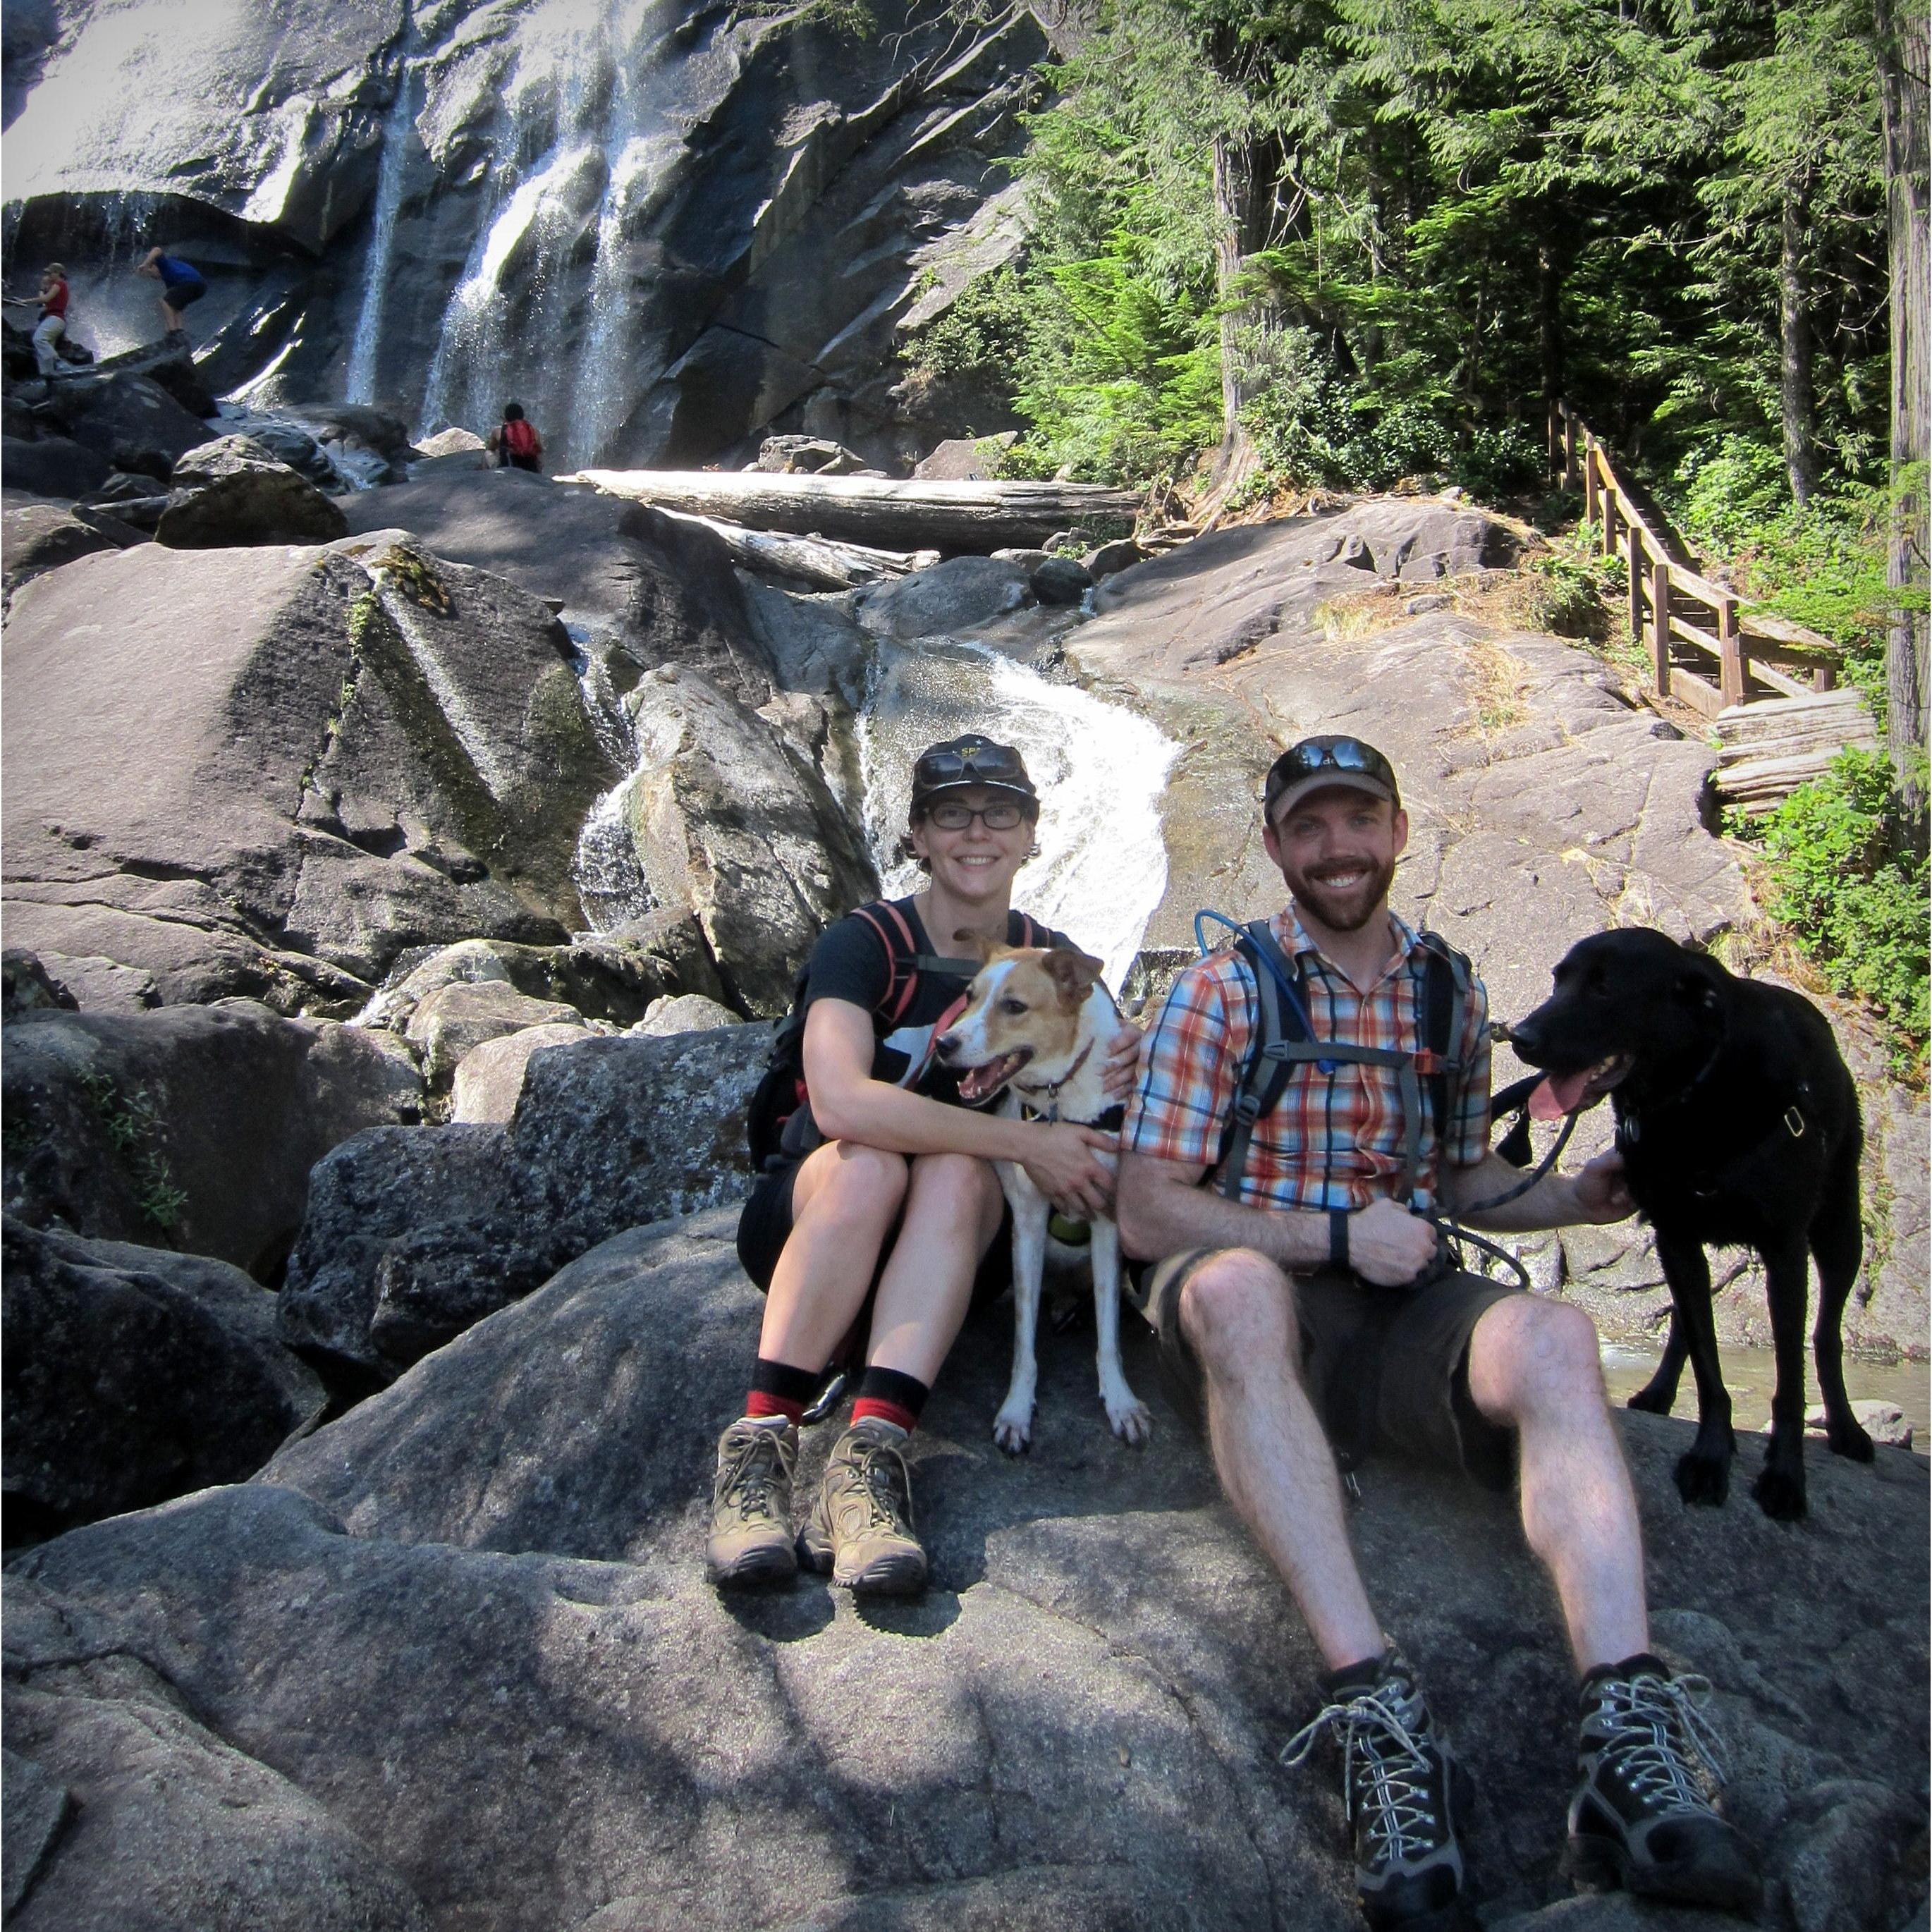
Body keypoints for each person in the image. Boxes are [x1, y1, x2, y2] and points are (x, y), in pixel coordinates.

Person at [1115, 735, 1763, 1928]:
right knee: (1237, 1293)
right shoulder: (1221, 990)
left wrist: (1572, 1199)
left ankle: (1626, 1732)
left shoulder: (1448, 990)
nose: (1338, 849)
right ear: (1275, 848)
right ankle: (1374, 1714)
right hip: (1251, 1287)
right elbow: (1149, 1208)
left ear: (1400, 832)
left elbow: (1463, 1181)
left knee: (1559, 1338)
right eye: (1310, 827)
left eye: (1358, 820)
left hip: (1406, 1302)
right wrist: (1332, 1235)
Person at [707, 736, 1135, 1597]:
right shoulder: (865, 942)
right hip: (817, 1221)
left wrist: (1138, 1056)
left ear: (1029, 834)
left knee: (956, 1170)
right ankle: (758, 1452)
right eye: (951, 814)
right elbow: (839, 1101)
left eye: (1000, 812)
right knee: (874, 1163)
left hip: (956, 1252)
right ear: (918, 835)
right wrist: (1027, 1143)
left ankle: (869, 1463)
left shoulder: (1054, 962)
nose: (977, 832)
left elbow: (1111, 1084)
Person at [4, 264, 71, 376]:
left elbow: (44, 299)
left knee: (38, 339)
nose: (48, 276)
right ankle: (48, 374)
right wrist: (25, 301)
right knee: (42, 350)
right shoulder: (57, 286)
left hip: (56, 318)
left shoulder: (60, 284)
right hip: (54, 319)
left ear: (58, 273)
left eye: (50, 273)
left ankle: (58, 361)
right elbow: (43, 301)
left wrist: (40, 290)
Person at [137, 247, 207, 335]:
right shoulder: (170, 278)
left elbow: (157, 250)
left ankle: (172, 332)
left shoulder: (163, 265)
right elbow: (175, 308)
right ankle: (180, 332)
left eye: (151, 273)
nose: (153, 277)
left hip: (190, 282)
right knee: (175, 306)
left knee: (164, 301)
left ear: (154, 266)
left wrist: (145, 264)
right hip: (201, 287)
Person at [488, 402, 544, 472]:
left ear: (506, 417)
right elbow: (540, 450)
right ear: (522, 417)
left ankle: (486, 475)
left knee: (488, 453)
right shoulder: (533, 431)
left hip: (507, 468)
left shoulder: (498, 431)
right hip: (531, 469)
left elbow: (491, 448)